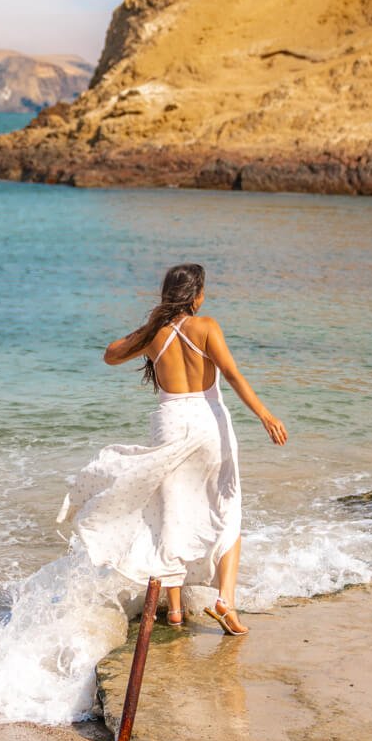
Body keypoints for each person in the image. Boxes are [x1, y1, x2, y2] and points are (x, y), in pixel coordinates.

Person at [57, 262, 287, 635]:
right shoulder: (207, 326)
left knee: (171, 513)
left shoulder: (155, 335)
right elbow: (231, 374)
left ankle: (176, 611)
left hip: (169, 422)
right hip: (207, 422)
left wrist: (150, 329)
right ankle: (225, 602)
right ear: (197, 295)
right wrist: (265, 416)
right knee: (226, 512)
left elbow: (111, 355)